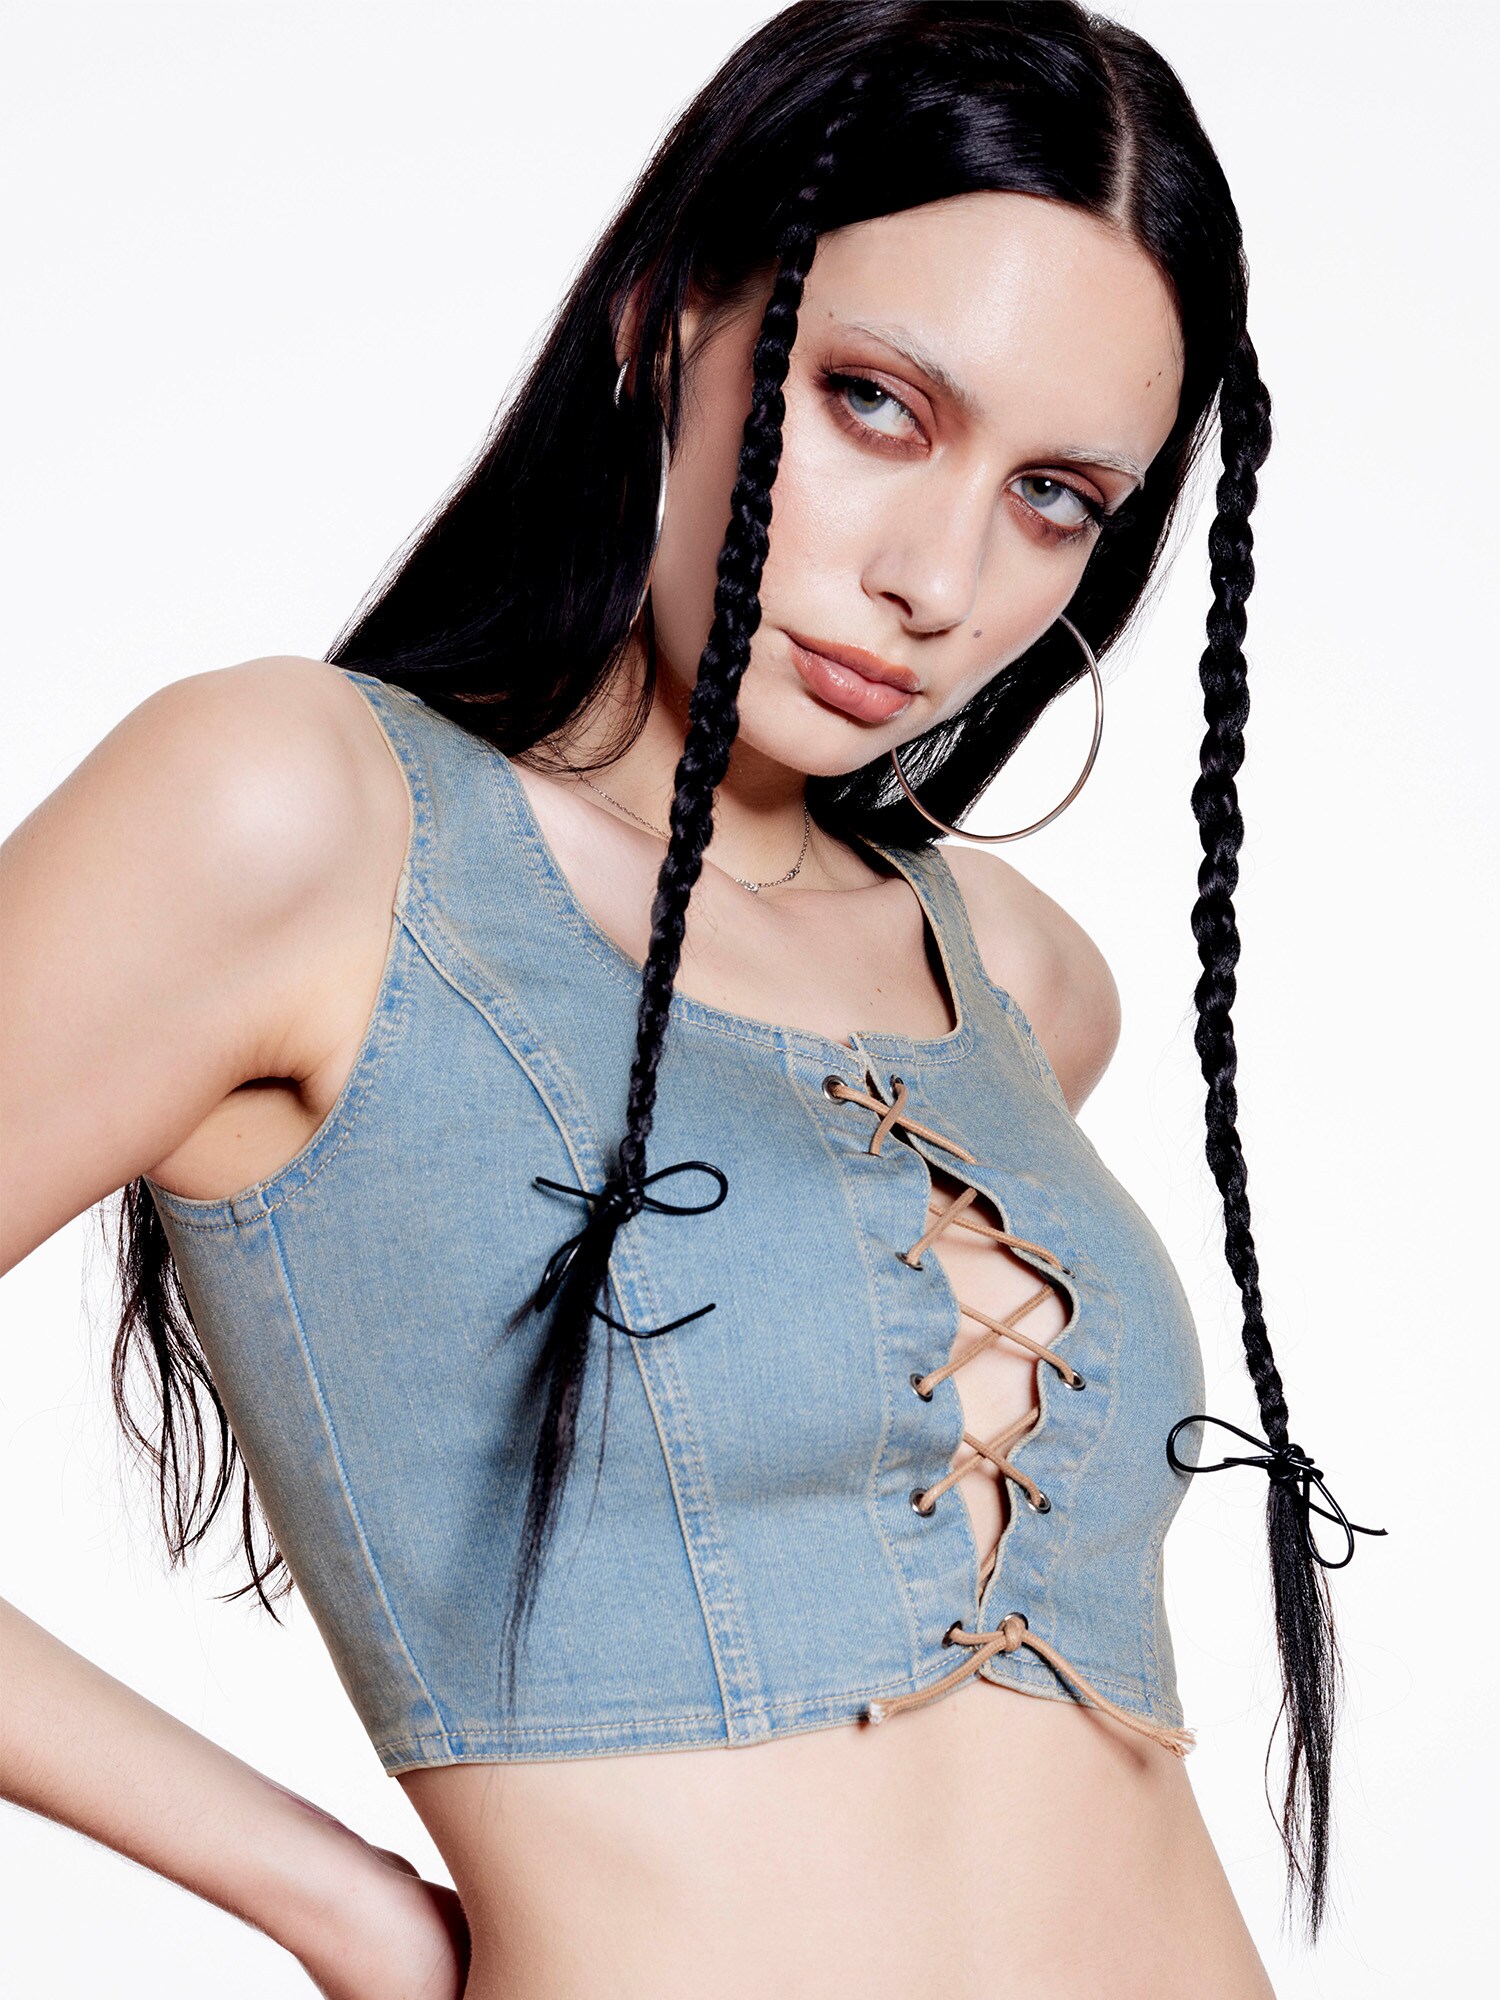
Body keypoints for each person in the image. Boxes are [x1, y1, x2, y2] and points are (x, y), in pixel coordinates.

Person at [0, 3, 1386, 1995]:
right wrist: (346, 1906)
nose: (938, 580)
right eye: (878, 403)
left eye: (1056, 497)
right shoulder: (300, 818)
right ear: (666, 322)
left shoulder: (1013, 975)